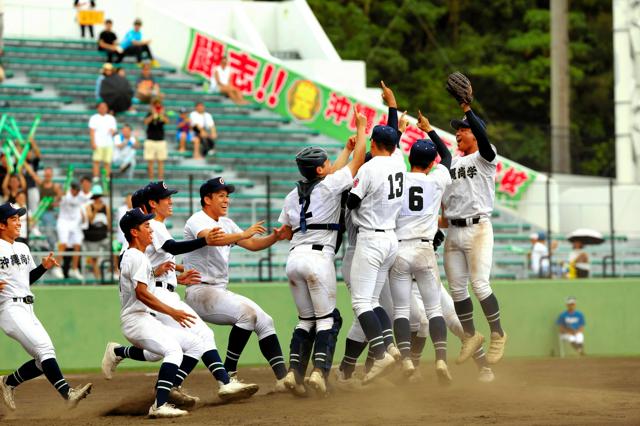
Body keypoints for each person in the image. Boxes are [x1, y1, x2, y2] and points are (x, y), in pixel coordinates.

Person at [102, 182, 259, 404]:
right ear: (152, 204)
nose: (171, 201)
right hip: (158, 295)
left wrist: (175, 275)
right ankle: (224, 382)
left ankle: (125, 356)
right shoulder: (151, 226)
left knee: (163, 351)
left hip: (164, 291)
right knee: (201, 336)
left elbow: (155, 261)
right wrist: (204, 240)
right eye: (166, 198)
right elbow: (169, 249)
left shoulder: (154, 227)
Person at [278, 106, 367, 395]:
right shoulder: (329, 186)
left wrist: (343, 148)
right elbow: (356, 163)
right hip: (319, 258)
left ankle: (293, 373)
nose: (331, 165)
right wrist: (361, 128)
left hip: (293, 259)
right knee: (328, 319)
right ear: (319, 169)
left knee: (306, 320)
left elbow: (287, 230)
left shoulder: (293, 194)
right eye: (326, 163)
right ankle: (319, 372)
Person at [182, 177, 290, 391]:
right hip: (199, 291)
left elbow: (251, 244)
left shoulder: (227, 223)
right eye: (221, 195)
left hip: (218, 290)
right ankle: (228, 374)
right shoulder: (197, 220)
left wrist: (274, 238)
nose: (226, 200)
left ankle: (284, 379)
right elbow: (211, 239)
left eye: (227, 196)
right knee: (247, 315)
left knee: (265, 321)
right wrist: (242, 233)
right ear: (207, 199)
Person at [441, 76, 507, 366]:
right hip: (453, 231)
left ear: (475, 134)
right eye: (457, 130)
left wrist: (467, 109)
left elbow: (482, 135)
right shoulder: (453, 163)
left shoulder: (485, 156)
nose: (459, 133)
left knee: (480, 285)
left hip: (478, 228)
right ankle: (470, 336)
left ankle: (497, 333)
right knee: (457, 290)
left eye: (464, 129)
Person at [0, 202, 92, 411]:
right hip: (8, 309)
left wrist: (43, 267)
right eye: (13, 219)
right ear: (1, 225)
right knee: (44, 349)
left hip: (28, 307)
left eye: (19, 218)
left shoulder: (22, 247)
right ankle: (68, 394)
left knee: (44, 359)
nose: (19, 222)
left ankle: (9, 382)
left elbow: (26, 279)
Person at [115, 207, 201, 418]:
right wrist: (173, 312)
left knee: (195, 344)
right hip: (136, 319)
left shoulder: (138, 256)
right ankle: (159, 404)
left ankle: (168, 391)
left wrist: (174, 278)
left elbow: (144, 286)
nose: (150, 229)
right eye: (146, 225)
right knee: (174, 351)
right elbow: (142, 294)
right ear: (134, 232)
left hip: (144, 318)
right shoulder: (135, 256)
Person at [389, 108, 454, 384]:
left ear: (411, 159)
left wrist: (401, 131)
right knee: (434, 310)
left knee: (403, 312)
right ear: (430, 164)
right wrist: (428, 129)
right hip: (426, 250)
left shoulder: (398, 177)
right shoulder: (436, 179)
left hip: (400, 249)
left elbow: (390, 154)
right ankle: (440, 359)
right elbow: (448, 156)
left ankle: (405, 359)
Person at [345, 104, 407, 383]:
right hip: (391, 238)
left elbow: (352, 201)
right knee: (371, 300)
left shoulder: (370, 168)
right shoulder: (400, 163)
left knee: (360, 302)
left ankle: (381, 353)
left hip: (369, 238)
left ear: (374, 143)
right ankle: (390, 347)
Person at [51, 183, 85, 280]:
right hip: (63, 222)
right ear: (71, 189)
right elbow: (55, 203)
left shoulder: (80, 197)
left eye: (78, 190)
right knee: (63, 244)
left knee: (77, 245)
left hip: (75, 224)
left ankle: (74, 269)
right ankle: (57, 269)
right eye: (75, 190)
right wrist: (59, 195)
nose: (76, 192)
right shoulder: (65, 196)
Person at [24, 166, 61, 250]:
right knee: (32, 226)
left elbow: (60, 198)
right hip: (39, 211)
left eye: (49, 174)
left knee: (49, 231)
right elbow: (33, 174)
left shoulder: (55, 186)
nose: (47, 175)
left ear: (51, 175)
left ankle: (51, 247)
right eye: (46, 174)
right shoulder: (41, 183)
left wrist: (55, 202)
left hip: (49, 212)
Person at [83, 187, 110, 280]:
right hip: (92, 238)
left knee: (113, 253)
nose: (98, 199)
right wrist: (95, 209)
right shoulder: (89, 207)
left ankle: (113, 273)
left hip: (103, 236)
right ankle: (97, 277)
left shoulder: (106, 207)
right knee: (94, 258)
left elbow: (109, 221)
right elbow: (90, 220)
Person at [89, 102, 117, 181]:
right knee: (96, 162)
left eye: (104, 107)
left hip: (108, 143)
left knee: (107, 162)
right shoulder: (94, 118)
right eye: (101, 107)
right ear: (98, 108)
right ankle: (96, 178)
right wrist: (93, 142)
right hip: (98, 143)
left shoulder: (111, 118)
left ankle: (107, 179)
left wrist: (112, 131)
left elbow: (114, 130)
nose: (103, 109)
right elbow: (92, 131)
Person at [143, 99, 169, 180]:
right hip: (150, 140)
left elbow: (167, 121)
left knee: (161, 162)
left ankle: (160, 181)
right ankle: (151, 180)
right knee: (150, 162)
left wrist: (161, 114)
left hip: (160, 140)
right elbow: (146, 122)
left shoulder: (162, 115)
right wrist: (153, 114)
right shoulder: (149, 114)